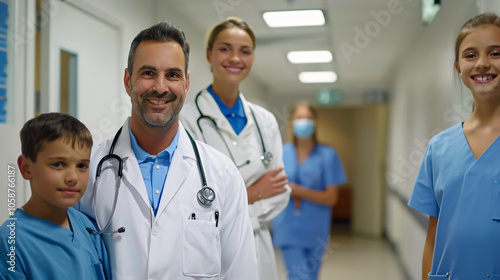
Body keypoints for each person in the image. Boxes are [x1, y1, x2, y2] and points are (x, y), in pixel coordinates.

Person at [75, 21, 258, 279]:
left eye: (172, 74)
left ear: (186, 83)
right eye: (148, 73)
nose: (160, 87)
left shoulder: (223, 175)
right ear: (128, 81)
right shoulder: (90, 169)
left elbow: (241, 272)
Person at [180, 17, 290, 280]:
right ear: (209, 53)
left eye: (245, 51)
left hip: (258, 247)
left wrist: (233, 203)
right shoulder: (186, 118)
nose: (235, 58)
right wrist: (252, 193)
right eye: (225, 48)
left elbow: (279, 192)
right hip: (208, 248)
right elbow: (190, 196)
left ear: (253, 58)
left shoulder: (265, 121)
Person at [408, 12, 500, 280]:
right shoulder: (439, 148)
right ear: (459, 69)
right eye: (470, 55)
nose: (482, 63)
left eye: (495, 53)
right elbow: (432, 239)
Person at [0, 113, 110, 280]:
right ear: (26, 168)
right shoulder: (10, 242)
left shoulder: (86, 226)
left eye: (82, 165)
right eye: (58, 164)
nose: (72, 177)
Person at [272, 102, 346, 280]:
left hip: (315, 230)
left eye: (308, 118)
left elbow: (331, 197)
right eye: (299, 118)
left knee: (311, 277)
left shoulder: (328, 155)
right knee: (299, 277)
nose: (303, 122)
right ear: (292, 122)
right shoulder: (281, 152)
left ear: (315, 123)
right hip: (287, 228)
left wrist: (298, 191)